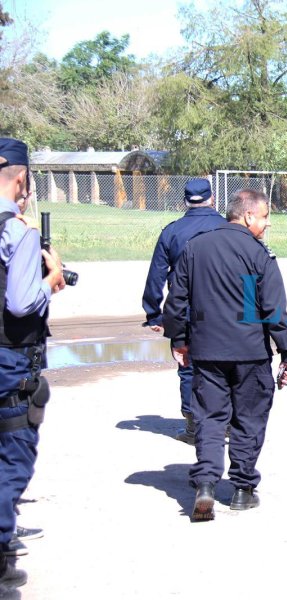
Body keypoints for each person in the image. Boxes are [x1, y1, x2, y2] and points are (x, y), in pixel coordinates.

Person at [163, 189, 287, 522]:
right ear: (248, 215)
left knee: (210, 420)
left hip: (207, 352)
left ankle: (206, 484)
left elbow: (176, 300)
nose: (267, 224)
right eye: (265, 217)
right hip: (250, 354)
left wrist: (180, 339)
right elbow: (271, 309)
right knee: (248, 420)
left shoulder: (196, 248)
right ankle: (241, 490)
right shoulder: (258, 254)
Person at [0, 137, 66, 594]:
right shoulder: (18, 232)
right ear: (21, 178)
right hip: (9, 359)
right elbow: (22, 302)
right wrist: (51, 279)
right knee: (12, 458)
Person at [142, 178, 225, 444]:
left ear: (185, 201)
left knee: (188, 366)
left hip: (186, 311)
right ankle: (225, 424)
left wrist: (154, 313)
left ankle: (193, 427)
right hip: (224, 311)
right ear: (212, 199)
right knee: (225, 366)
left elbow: (156, 275)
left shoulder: (172, 231)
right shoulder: (227, 228)